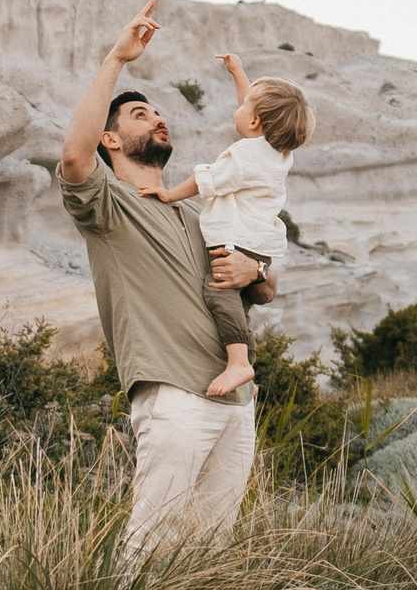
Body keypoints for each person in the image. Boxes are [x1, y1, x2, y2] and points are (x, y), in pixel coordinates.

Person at [58, 0, 279, 549]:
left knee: (208, 556)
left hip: (236, 404)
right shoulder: (107, 204)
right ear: (111, 140)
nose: (157, 117)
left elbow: (265, 291)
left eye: (158, 112)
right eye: (139, 114)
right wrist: (117, 59)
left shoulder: (197, 212)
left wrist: (255, 268)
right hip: (173, 396)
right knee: (151, 546)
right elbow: (73, 159)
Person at [134, 53, 313, 402]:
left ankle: (239, 363)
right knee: (239, 302)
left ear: (256, 121)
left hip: (238, 240)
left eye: (245, 107)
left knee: (219, 292)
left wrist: (169, 194)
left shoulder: (246, 156)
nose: (239, 107)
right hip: (259, 241)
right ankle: (248, 367)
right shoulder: (277, 151)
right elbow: (253, 107)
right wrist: (238, 72)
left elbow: (208, 181)